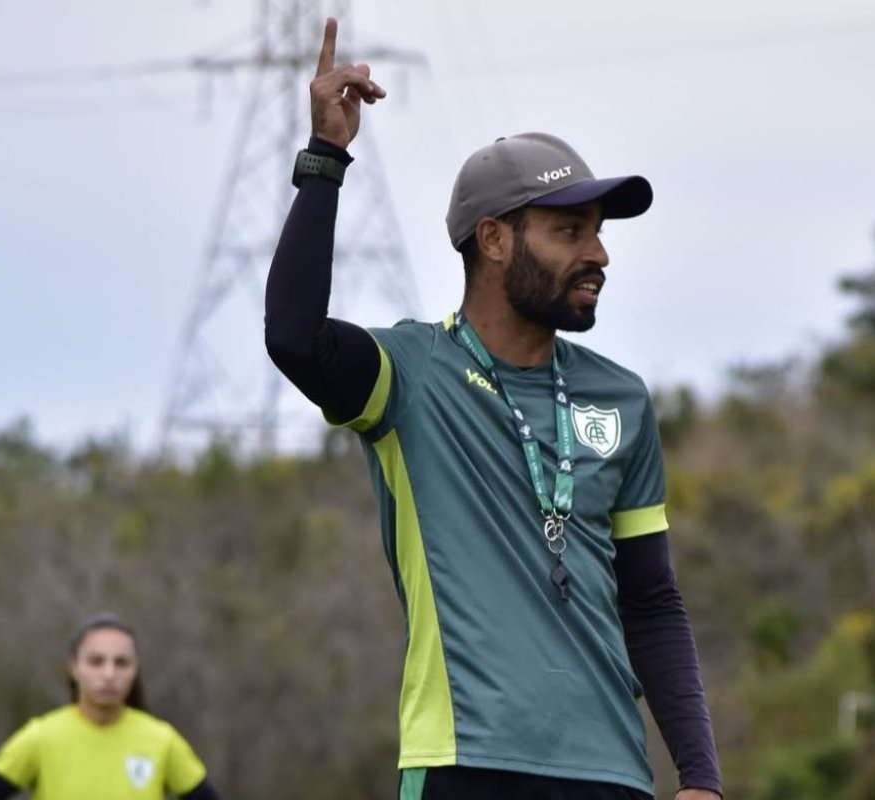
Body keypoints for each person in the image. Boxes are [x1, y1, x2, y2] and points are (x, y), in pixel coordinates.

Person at [265, 17, 724, 800]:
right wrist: (326, 159)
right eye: (569, 230)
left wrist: (700, 776)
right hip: (462, 764)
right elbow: (296, 340)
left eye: (600, 233)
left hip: (610, 771)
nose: (599, 255)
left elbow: (650, 601)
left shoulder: (621, 398)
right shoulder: (408, 374)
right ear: (495, 240)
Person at [0, 613, 222, 800]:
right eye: (96, 661)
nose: (109, 674)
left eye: (121, 663)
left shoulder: (161, 740)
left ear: (135, 670)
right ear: (74, 667)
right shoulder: (41, 737)